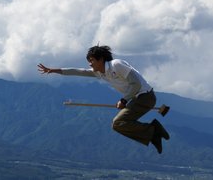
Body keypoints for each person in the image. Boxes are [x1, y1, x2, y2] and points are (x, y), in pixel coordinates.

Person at [37, 45, 169, 154]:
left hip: (146, 96)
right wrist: (53, 70)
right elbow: (79, 71)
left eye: (92, 60)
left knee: (118, 122)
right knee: (117, 125)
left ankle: (154, 131)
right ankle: (153, 134)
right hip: (136, 99)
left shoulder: (116, 65)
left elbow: (136, 84)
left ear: (101, 59)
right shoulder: (100, 73)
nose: (90, 63)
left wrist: (123, 100)